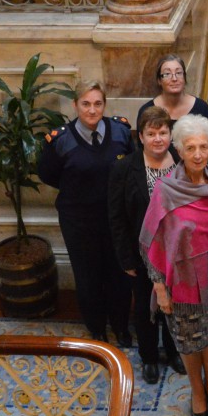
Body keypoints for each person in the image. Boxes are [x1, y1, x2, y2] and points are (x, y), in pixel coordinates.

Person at [140, 114, 208, 416]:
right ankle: (197, 391)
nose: (197, 154)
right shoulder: (166, 190)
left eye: (203, 147)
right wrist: (159, 288)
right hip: (180, 279)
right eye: (190, 147)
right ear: (179, 150)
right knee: (189, 338)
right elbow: (151, 242)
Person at [38, 81, 134, 346]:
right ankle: (97, 328)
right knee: (88, 276)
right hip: (79, 223)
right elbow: (48, 174)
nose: (92, 110)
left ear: (104, 105)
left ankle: (121, 327)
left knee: (119, 275)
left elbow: (132, 167)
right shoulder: (60, 140)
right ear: (75, 105)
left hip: (116, 221)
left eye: (98, 104)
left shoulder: (120, 131)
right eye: (86, 104)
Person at [108, 107, 186, 384]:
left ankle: (175, 351)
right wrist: (126, 259)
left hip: (178, 251)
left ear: (170, 134)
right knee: (145, 308)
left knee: (176, 304)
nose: (158, 139)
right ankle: (150, 357)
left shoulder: (182, 161)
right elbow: (116, 217)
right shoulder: (124, 168)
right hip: (141, 253)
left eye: (163, 132)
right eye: (151, 134)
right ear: (140, 137)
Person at [139, 54, 208, 126]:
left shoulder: (201, 108)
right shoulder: (146, 110)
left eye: (179, 73)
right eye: (167, 74)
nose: (174, 79)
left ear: (184, 77)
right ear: (159, 80)